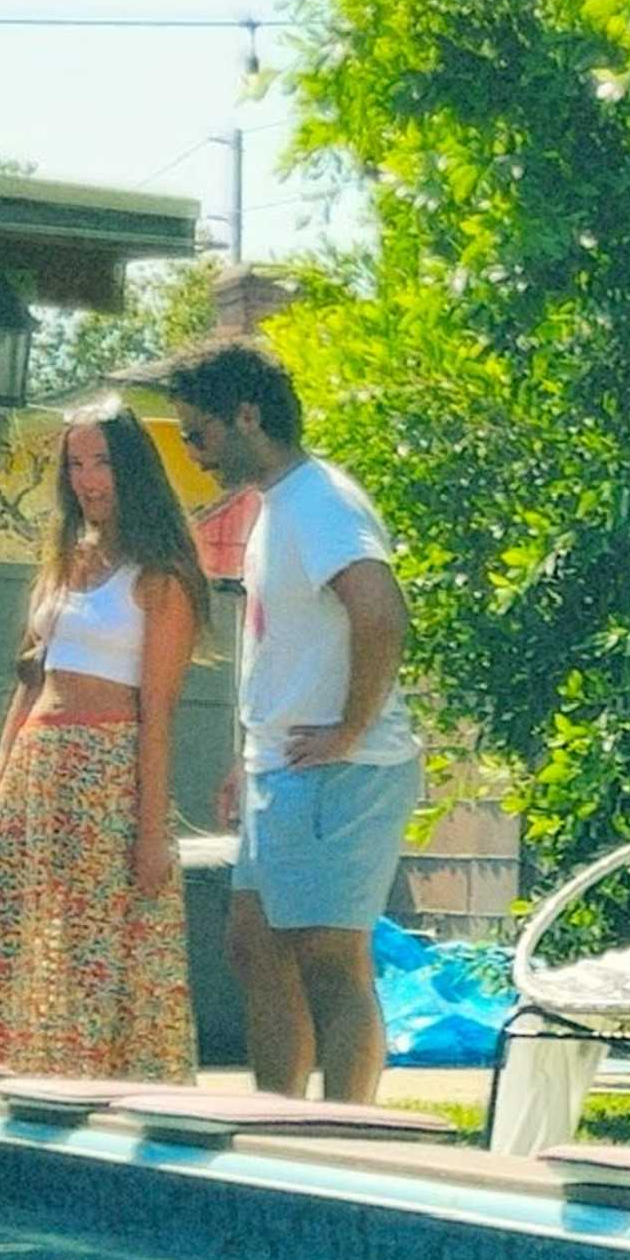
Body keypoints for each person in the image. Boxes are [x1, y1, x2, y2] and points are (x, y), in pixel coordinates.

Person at [154, 336, 418, 1104]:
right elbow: (289, 646)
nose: (193, 451)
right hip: (285, 767)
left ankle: (343, 1141)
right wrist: (252, 752)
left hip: (343, 771)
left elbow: (382, 614)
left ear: (246, 416)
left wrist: (349, 728)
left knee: (331, 959)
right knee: (253, 946)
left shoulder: (321, 502)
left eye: (197, 433)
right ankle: (278, 1129)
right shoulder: (276, 508)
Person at [0, 401, 207, 1079]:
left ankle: (92, 1087)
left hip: (108, 770)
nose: (89, 479)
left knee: (94, 948)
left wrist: (151, 834)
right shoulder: (64, 557)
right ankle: (1, 1083)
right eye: (76, 464)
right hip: (39, 766)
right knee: (14, 938)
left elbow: (159, 713)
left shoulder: (162, 574)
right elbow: (32, 673)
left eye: (103, 462)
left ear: (133, 469)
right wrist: (1, 776)